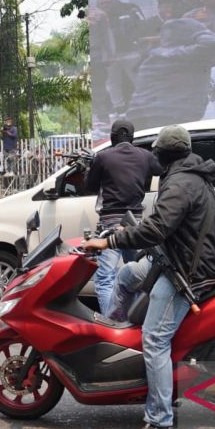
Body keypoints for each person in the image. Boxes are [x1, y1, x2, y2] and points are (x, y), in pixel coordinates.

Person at [83, 126, 215, 429]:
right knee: (124, 274)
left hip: (188, 272)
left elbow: (157, 228)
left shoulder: (180, 182)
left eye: (157, 152)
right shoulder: (185, 174)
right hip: (173, 259)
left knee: (155, 338)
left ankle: (159, 418)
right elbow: (166, 223)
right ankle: (115, 339)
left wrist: (110, 241)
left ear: (164, 154)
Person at [84, 119, 163, 316]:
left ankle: (110, 322)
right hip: (134, 224)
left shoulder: (103, 157)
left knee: (105, 278)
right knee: (136, 275)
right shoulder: (145, 156)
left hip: (109, 223)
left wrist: (88, 167)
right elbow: (162, 169)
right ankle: (133, 319)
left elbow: (90, 186)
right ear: (132, 136)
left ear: (112, 136)